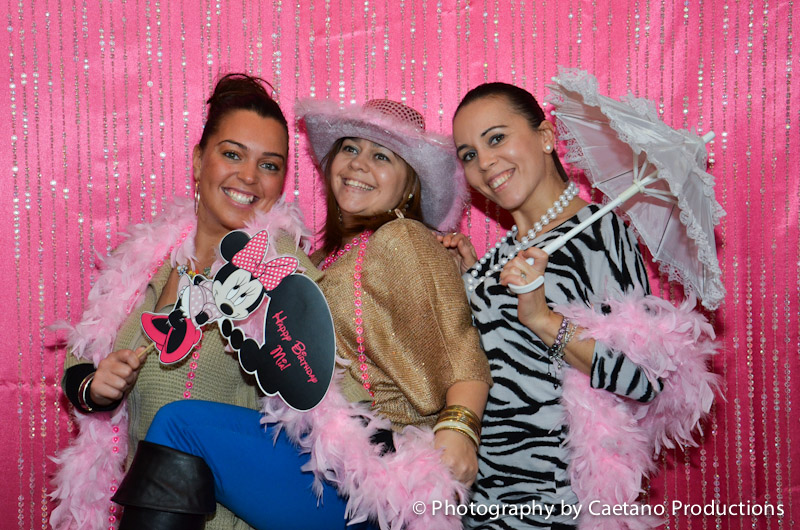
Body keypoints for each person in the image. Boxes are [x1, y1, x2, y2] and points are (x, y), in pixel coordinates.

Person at [110, 98, 493, 530]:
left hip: (375, 473)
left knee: (181, 427)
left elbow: (461, 349)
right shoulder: (325, 259)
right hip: (319, 457)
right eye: (351, 148)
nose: (359, 164)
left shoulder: (402, 238)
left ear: (409, 186)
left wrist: (461, 427)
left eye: (382, 156)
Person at [50, 73, 319, 530]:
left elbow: (332, 392)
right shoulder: (147, 258)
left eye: (269, 165)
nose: (249, 176)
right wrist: (96, 387)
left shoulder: (285, 273)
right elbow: (81, 359)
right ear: (198, 161)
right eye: (232, 154)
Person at [444, 82, 719, 529]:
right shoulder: (506, 248)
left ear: (546, 136)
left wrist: (542, 319)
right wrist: (474, 278)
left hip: (547, 503)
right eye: (469, 154)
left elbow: (646, 379)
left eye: (496, 138)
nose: (484, 162)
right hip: (481, 497)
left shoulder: (600, 233)